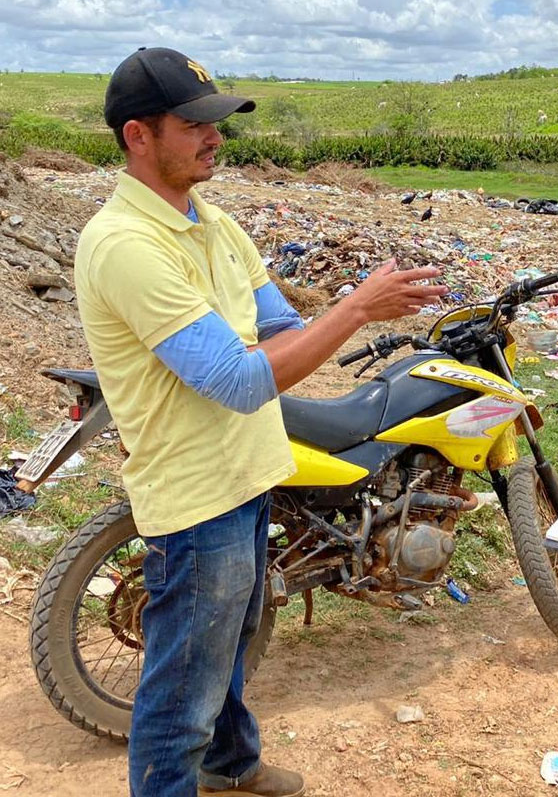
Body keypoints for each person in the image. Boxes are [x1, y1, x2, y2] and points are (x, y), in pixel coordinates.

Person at [74, 47, 448, 797]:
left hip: (248, 473)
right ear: (137, 137)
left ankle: (231, 764)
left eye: (217, 123)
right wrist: (352, 309)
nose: (215, 138)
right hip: (195, 491)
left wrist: (292, 335)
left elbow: (275, 326)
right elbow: (240, 381)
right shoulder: (126, 244)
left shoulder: (211, 223)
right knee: (182, 686)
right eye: (194, 125)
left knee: (233, 640)